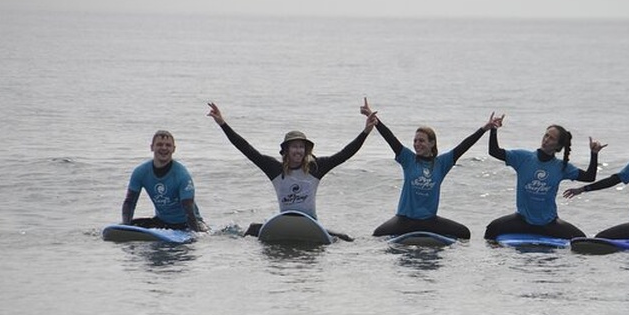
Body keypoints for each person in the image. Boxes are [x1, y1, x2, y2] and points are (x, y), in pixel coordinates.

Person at [207, 102, 378, 237]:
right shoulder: (274, 169)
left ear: (306, 150)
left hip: (310, 224)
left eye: (301, 147)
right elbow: (246, 149)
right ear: (286, 150)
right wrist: (222, 123)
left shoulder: (315, 168)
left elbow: (344, 154)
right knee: (252, 230)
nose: (298, 150)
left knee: (345, 239)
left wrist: (366, 132)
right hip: (284, 222)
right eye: (294, 147)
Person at [360, 98, 500, 240]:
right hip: (405, 220)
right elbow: (391, 138)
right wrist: (374, 119)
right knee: (377, 235)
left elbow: (464, 146)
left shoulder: (442, 163)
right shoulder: (408, 159)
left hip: (429, 221)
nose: (417, 144)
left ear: (432, 143)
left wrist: (484, 129)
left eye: (421, 140)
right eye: (415, 141)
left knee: (465, 233)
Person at [485, 119, 607, 240]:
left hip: (549, 224)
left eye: (552, 138)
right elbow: (494, 151)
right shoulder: (522, 158)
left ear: (558, 146)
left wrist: (594, 154)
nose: (546, 140)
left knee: (580, 239)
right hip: (522, 221)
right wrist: (494, 130)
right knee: (492, 229)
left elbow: (589, 177)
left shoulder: (561, 167)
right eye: (546, 135)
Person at [122, 130, 207, 232]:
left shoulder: (182, 175)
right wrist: (126, 227)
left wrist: (195, 234)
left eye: (168, 145)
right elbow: (129, 203)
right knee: (132, 225)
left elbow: (189, 209)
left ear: (173, 149)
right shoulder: (140, 172)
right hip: (163, 222)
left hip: (188, 223)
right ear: (152, 147)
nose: (164, 148)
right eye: (159, 144)